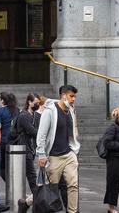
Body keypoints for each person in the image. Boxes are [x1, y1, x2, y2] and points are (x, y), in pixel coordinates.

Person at [36, 85, 80, 213]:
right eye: (71, 96)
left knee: (73, 185)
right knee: (50, 189)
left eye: (75, 96)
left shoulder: (70, 110)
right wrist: (41, 154)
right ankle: (27, 202)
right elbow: (41, 135)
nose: (73, 99)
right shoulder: (50, 111)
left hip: (69, 154)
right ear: (63, 95)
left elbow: (73, 131)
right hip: (54, 157)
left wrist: (74, 149)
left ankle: (72, 211)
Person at [13, 93, 40, 213]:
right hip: (24, 150)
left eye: (38, 102)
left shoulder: (34, 115)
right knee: (32, 178)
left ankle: (29, 203)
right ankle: (35, 203)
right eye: (35, 102)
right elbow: (33, 131)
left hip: (30, 149)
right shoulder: (24, 116)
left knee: (31, 177)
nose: (37, 104)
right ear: (29, 102)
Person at [0, 92, 18, 180]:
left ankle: (10, 185)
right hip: (15, 141)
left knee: (2, 167)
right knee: (13, 166)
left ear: (2, 100)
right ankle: (14, 186)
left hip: (3, 141)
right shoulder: (16, 110)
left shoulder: (0, 111)